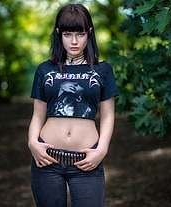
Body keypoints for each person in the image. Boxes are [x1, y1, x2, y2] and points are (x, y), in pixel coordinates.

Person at [28, 3, 119, 207]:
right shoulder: (45, 70)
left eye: (80, 34)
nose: (74, 41)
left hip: (87, 160)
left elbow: (108, 115)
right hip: (47, 160)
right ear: (59, 33)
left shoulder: (102, 70)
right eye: (68, 34)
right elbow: (37, 115)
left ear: (89, 33)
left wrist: (102, 150)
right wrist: (32, 142)